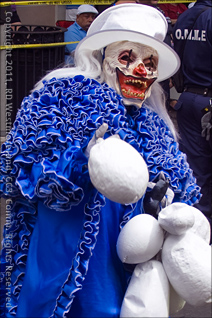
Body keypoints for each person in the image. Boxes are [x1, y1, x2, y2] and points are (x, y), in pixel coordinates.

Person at [0, 4, 202, 318]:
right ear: (102, 57)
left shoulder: (153, 121)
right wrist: (84, 159)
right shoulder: (60, 96)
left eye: (150, 62)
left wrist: (167, 198)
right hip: (68, 241)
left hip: (128, 251)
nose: (140, 70)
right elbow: (25, 167)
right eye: (127, 57)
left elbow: (179, 184)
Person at [173, 0, 212, 235]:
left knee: (196, 170)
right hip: (207, 99)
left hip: (187, 98)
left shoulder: (184, 17)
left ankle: (198, 230)